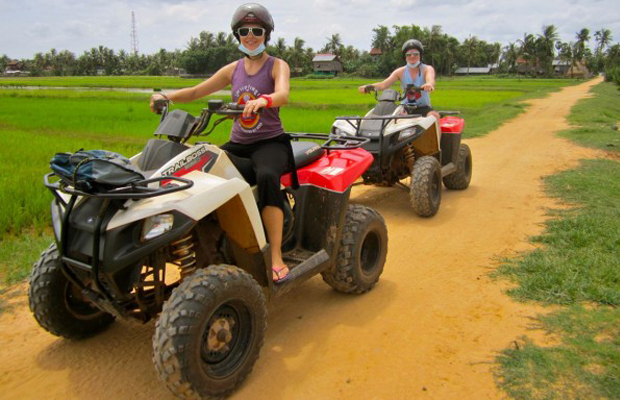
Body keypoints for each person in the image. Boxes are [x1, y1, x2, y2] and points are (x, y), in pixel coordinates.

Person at [150, 3, 293, 282]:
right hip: (238, 145)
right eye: (244, 31)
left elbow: (283, 94)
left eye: (256, 30)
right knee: (200, 170)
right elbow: (195, 91)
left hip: (270, 144)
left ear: (266, 33)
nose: (250, 36)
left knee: (266, 177)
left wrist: (263, 100)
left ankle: (275, 255)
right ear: (236, 34)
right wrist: (166, 96)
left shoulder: (277, 65)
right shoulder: (233, 69)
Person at [358, 39, 440, 120]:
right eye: (408, 54)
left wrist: (429, 85)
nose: (412, 56)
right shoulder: (400, 72)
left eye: (415, 54)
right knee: (390, 122)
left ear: (420, 55)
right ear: (405, 57)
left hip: (423, 108)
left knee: (434, 116)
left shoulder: (427, 69)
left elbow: (430, 80)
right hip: (405, 108)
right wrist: (368, 86)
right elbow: (383, 84)